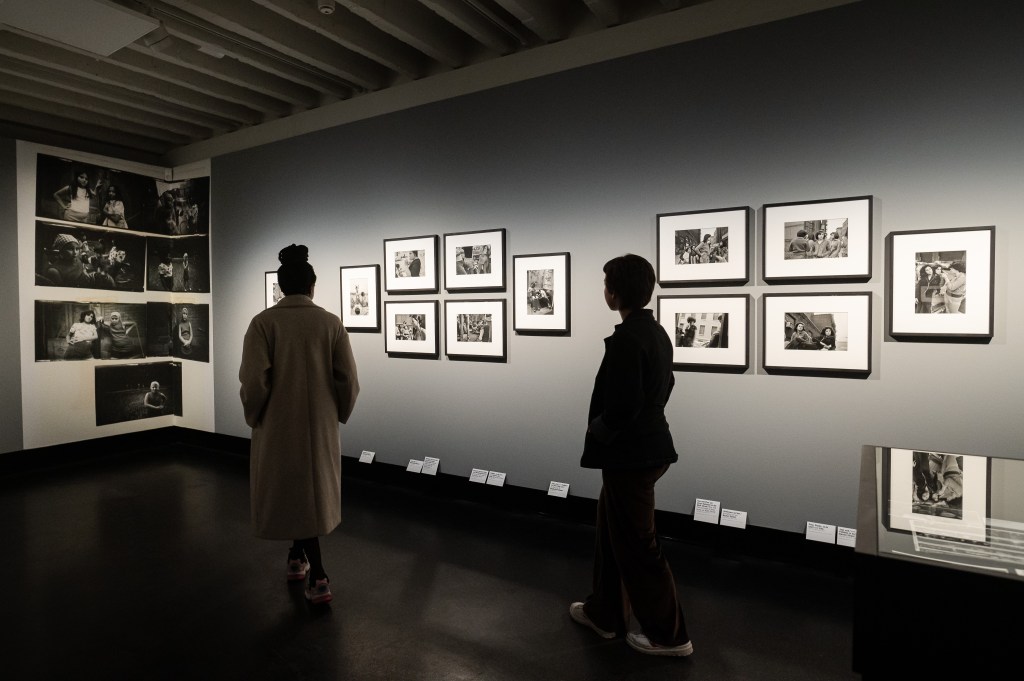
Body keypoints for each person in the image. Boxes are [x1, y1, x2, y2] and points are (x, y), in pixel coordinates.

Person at [570, 253, 692, 657]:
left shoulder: (628, 339)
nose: (604, 292)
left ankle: (670, 636)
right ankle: (605, 614)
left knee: (639, 546)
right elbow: (665, 385)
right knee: (612, 533)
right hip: (646, 449)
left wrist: (598, 428)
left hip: (632, 455)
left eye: (606, 285)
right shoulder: (655, 332)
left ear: (614, 293)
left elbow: (623, 404)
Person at [239, 244, 359, 606]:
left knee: (291, 490)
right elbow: (349, 381)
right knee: (309, 493)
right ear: (312, 286)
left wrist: (255, 415)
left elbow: (253, 382)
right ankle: (299, 557)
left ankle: (316, 573)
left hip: (278, 426)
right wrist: (337, 414)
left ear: (280, 287)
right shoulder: (330, 323)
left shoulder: (263, 323)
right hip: (319, 427)